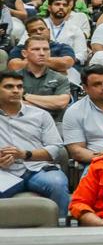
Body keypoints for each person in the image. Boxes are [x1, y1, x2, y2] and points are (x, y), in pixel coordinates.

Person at [0, 69, 70, 216]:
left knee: (57, 183)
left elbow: (56, 148)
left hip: (37, 169)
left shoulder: (40, 115)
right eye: (9, 87)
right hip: (3, 172)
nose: (15, 90)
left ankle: (61, 230)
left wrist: (25, 154)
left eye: (19, 86)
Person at [11, 37, 71, 117]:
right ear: (24, 53)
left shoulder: (60, 78)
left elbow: (61, 103)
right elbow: (10, 104)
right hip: (19, 122)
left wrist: (25, 96)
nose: (42, 53)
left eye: (46, 49)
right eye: (36, 49)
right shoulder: (12, 78)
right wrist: (49, 106)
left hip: (54, 124)